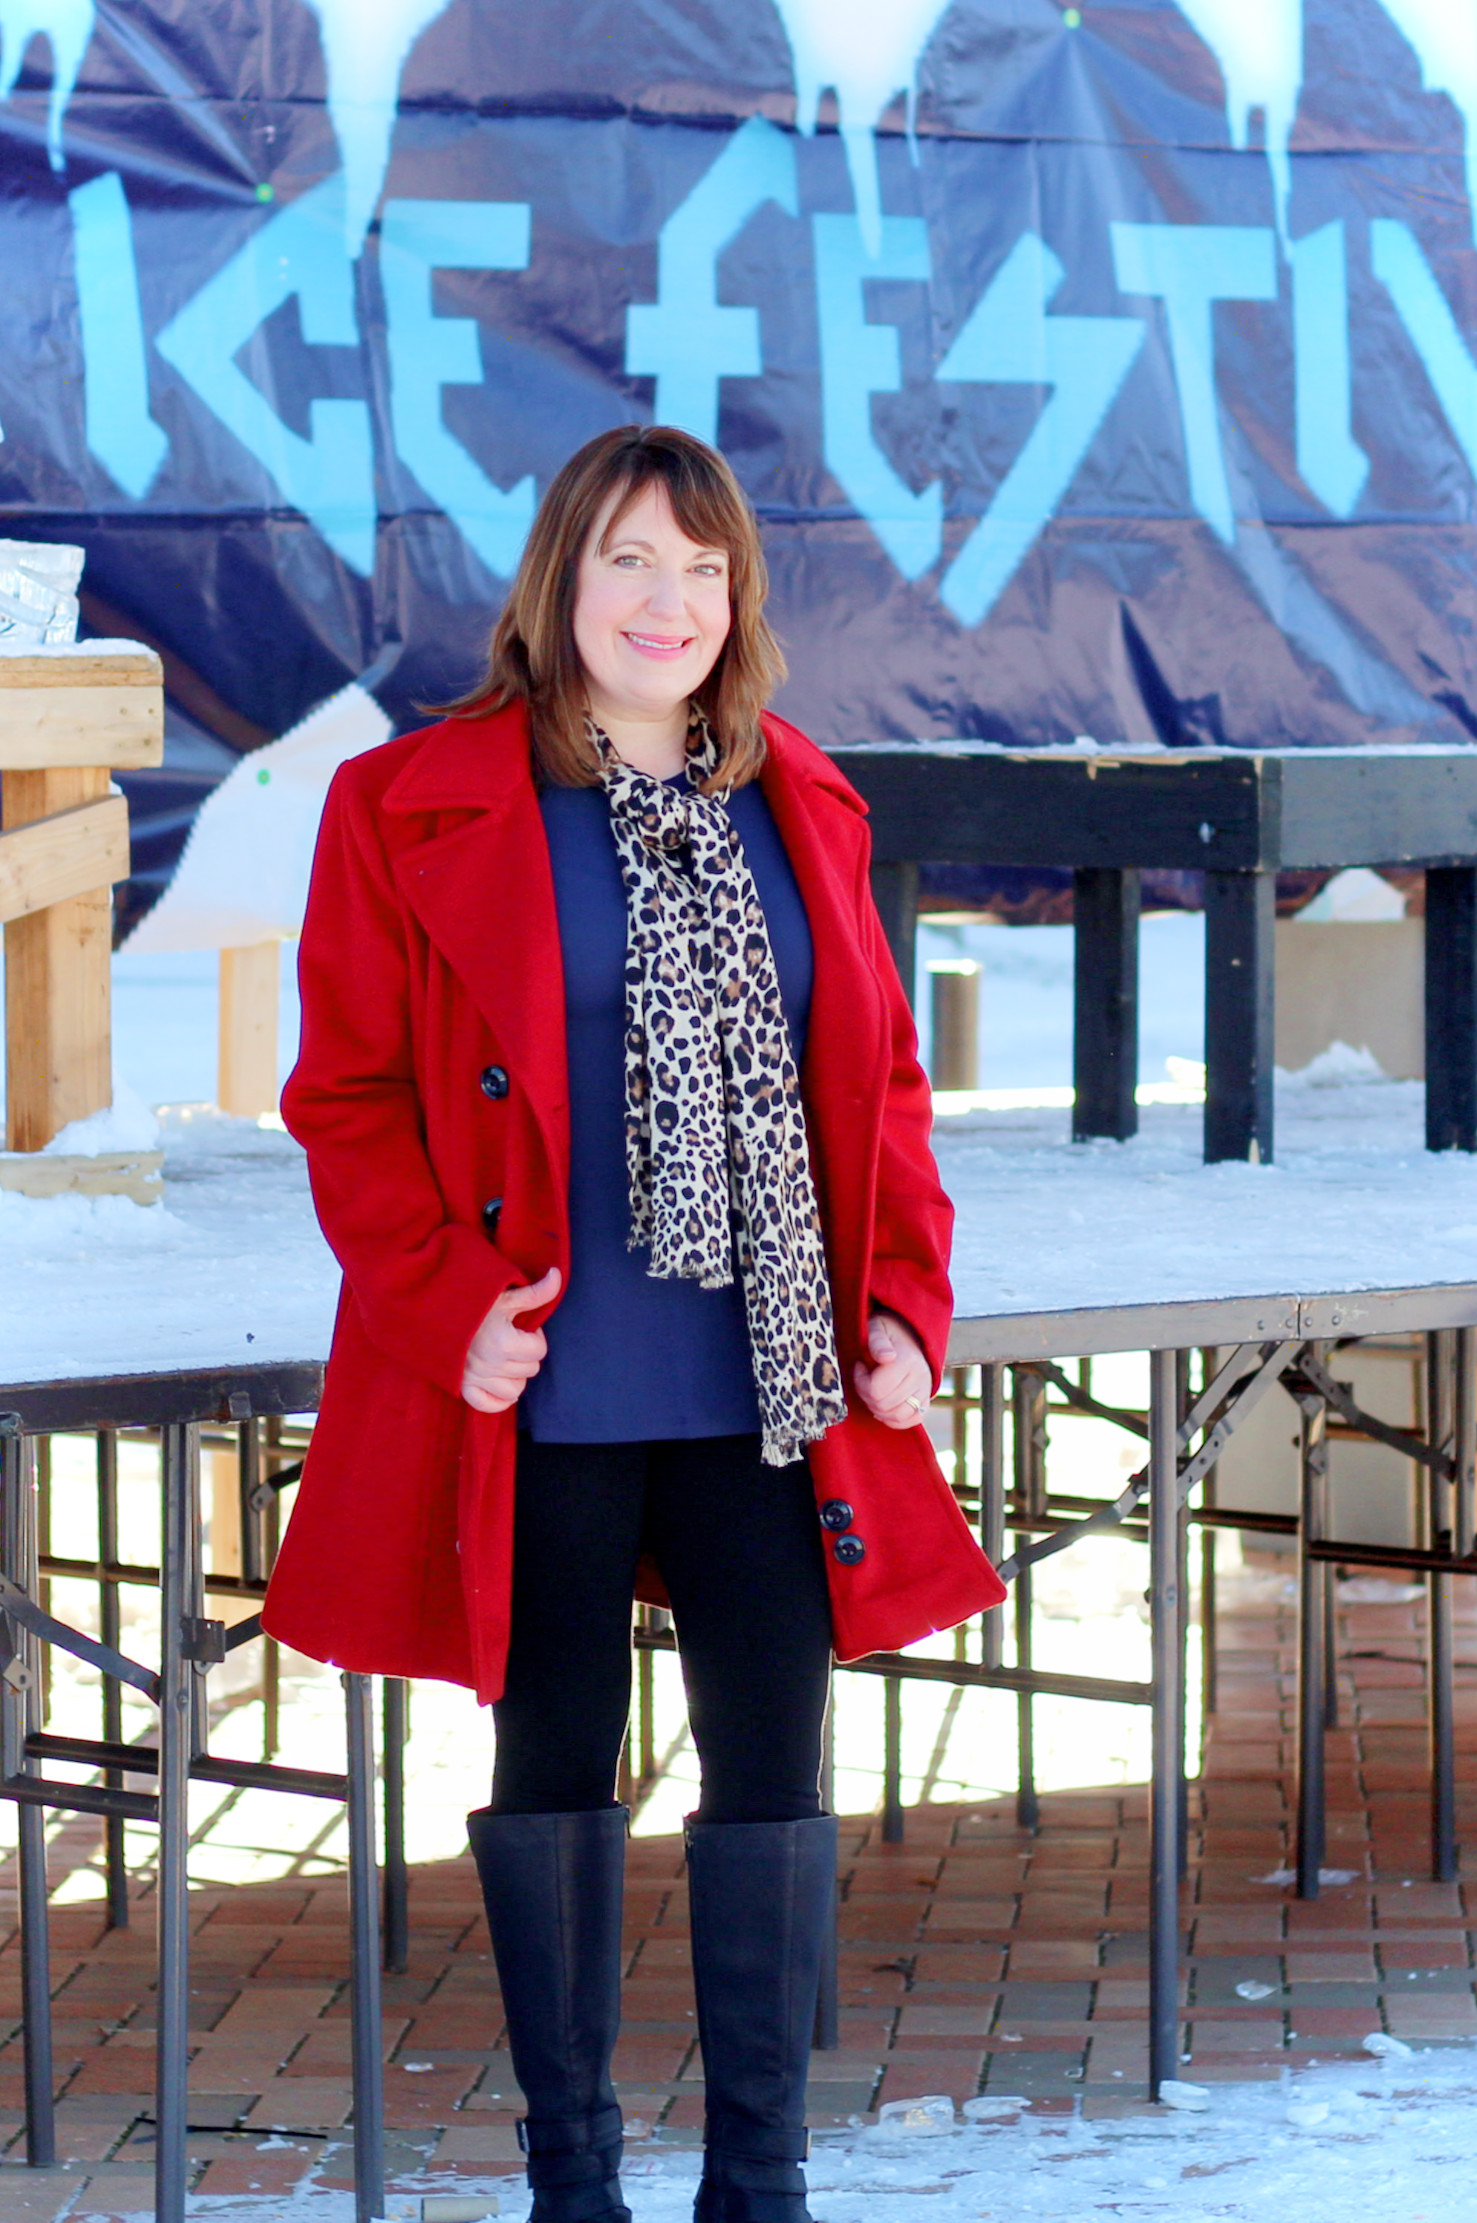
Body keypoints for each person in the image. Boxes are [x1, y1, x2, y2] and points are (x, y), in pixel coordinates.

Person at [263, 426, 1004, 2223]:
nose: (665, 603)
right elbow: (345, 1098)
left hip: (767, 1383)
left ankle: (761, 2178)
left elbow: (882, 1093)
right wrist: (449, 1308)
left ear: (736, 601)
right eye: (626, 563)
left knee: (774, 1751)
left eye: (701, 568)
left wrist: (904, 1306)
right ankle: (571, 2175)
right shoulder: (411, 800)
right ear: (557, 586)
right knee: (551, 1753)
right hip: (541, 1379)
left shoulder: (801, 799)